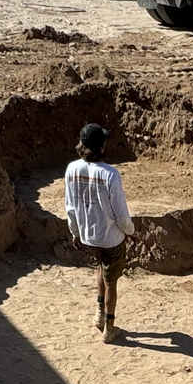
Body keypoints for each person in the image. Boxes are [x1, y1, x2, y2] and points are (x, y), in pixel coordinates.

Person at [64, 123, 135, 342]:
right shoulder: (110, 174)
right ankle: (109, 328)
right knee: (111, 280)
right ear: (101, 146)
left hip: (88, 235)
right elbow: (121, 213)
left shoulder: (72, 169)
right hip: (110, 237)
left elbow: (70, 206)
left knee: (99, 269)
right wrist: (130, 232)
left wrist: (75, 232)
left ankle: (98, 315)